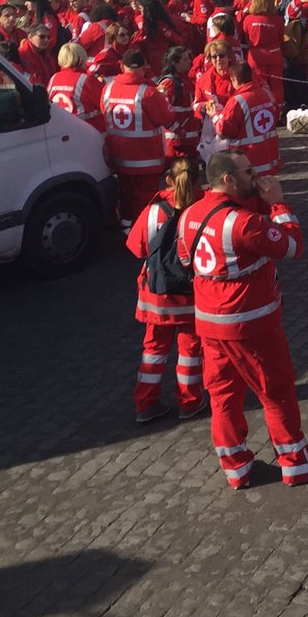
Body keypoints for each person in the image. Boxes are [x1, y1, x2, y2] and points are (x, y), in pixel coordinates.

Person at [175, 149, 308, 490]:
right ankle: (296, 464)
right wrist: (278, 204)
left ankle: (236, 468)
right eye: (247, 172)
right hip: (250, 325)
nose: (255, 175)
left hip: (209, 324)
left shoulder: (190, 214)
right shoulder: (244, 224)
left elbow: (184, 256)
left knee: (223, 396)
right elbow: (292, 246)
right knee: (275, 392)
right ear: (228, 180)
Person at [125, 154, 208, 424]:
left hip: (157, 294)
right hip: (191, 293)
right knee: (190, 349)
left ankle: (145, 403)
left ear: (169, 180)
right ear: (198, 180)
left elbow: (136, 248)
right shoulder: (204, 209)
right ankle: (189, 401)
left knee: (154, 348)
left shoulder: (154, 211)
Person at [101, 46, 179, 226]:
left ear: (122, 66)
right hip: (146, 160)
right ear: (144, 68)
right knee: (146, 204)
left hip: (119, 157)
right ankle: (144, 235)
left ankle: (126, 229)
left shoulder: (108, 88)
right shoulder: (148, 92)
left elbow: (104, 113)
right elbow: (166, 118)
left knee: (126, 198)